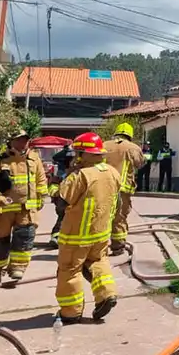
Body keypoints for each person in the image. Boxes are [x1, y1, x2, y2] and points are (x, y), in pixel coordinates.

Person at [55, 132, 121, 324]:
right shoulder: (112, 172)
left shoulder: (79, 176)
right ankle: (107, 295)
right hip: (101, 234)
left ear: (85, 154)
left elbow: (62, 203)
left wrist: (58, 184)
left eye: (79, 153)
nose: (76, 157)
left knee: (69, 270)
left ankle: (71, 312)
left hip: (76, 237)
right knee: (98, 262)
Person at [0, 129, 49, 284]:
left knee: (24, 239)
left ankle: (17, 268)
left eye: (25, 140)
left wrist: (41, 198)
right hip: (2, 211)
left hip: (26, 210)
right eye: (19, 140)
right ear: (11, 142)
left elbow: (41, 180)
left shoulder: (34, 158)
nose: (22, 143)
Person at [102, 123, 144, 255]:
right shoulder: (133, 148)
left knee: (100, 215)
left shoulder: (104, 145)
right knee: (119, 217)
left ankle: (96, 248)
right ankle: (117, 246)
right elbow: (139, 163)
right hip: (122, 188)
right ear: (129, 136)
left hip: (101, 186)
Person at [48, 144, 77, 249]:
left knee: (65, 218)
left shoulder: (77, 173)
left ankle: (59, 237)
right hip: (63, 200)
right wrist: (57, 194)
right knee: (63, 217)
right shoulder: (62, 174)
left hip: (69, 201)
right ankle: (56, 237)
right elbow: (53, 186)